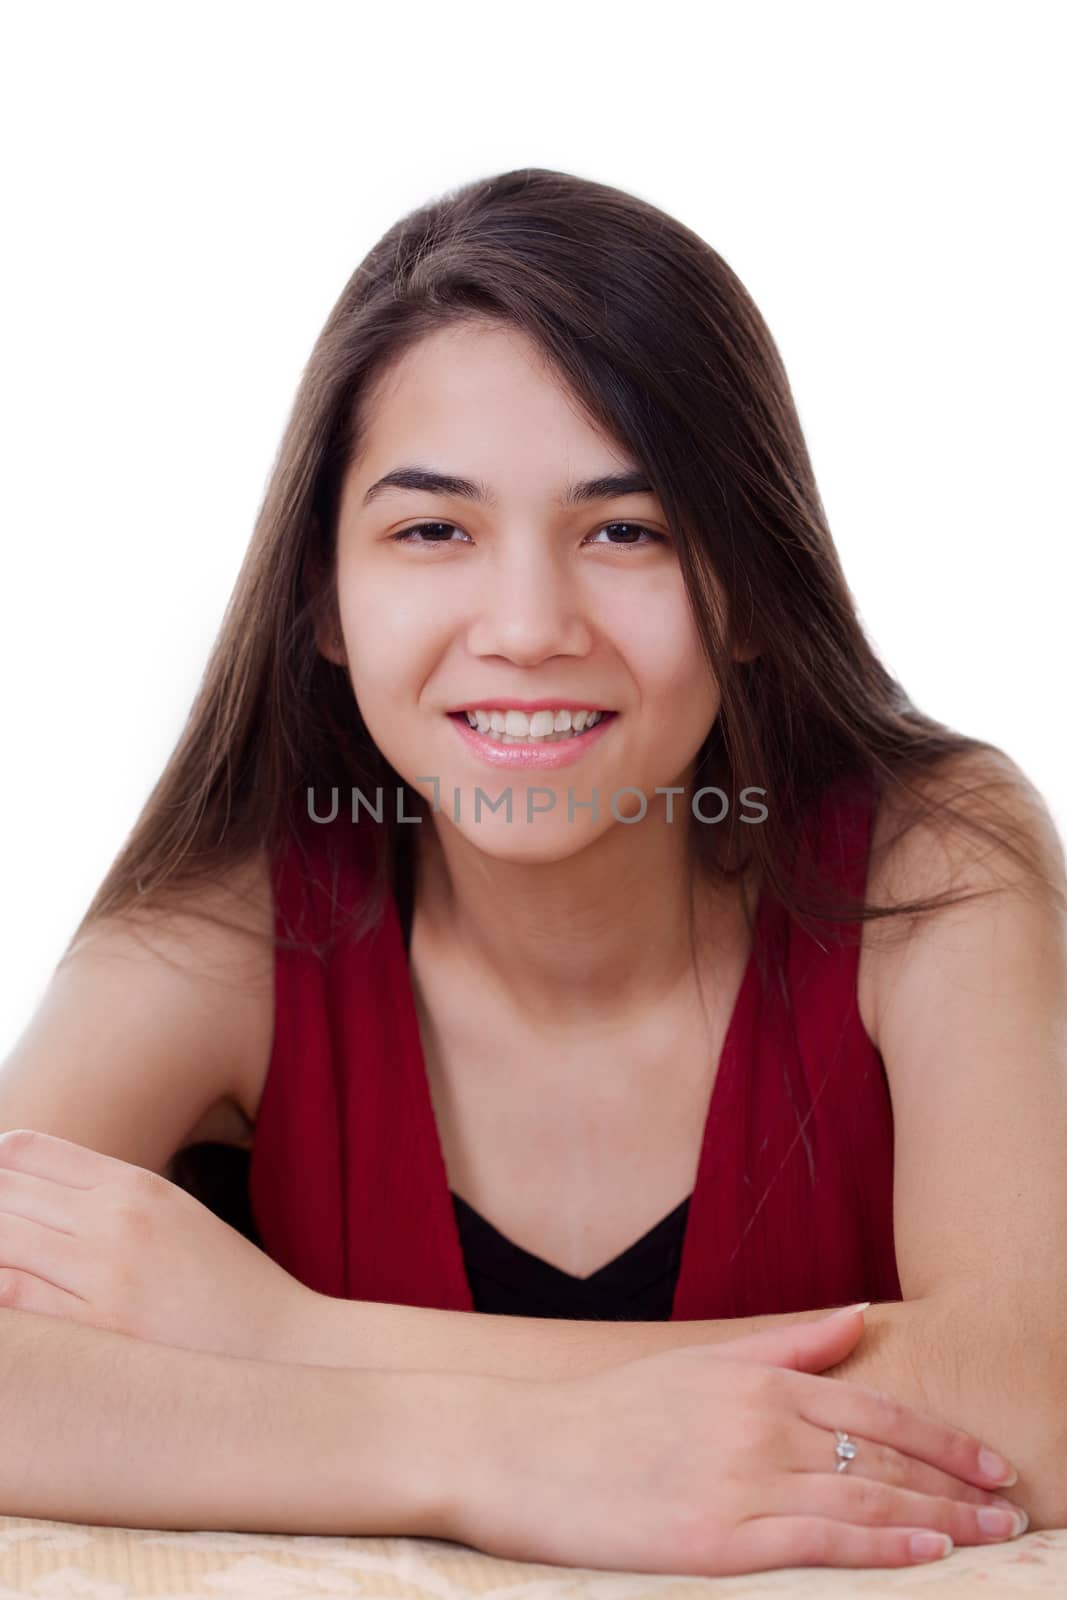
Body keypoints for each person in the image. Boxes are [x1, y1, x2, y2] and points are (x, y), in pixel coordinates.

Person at [1, 166, 1064, 1574]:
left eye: (626, 530)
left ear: (748, 589)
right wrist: (495, 1455)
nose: (527, 625)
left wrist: (287, 1344)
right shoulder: (237, 917)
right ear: (324, 599)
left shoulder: (938, 855)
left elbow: (1031, 1392)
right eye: (433, 529)